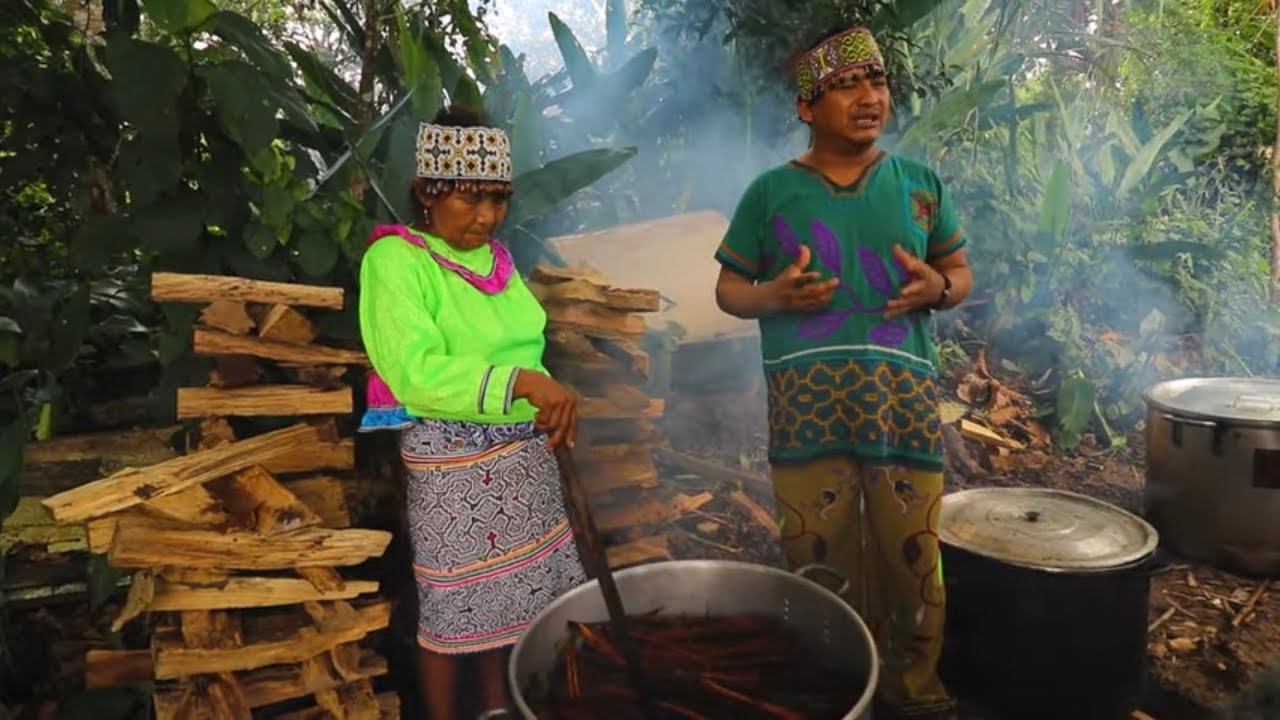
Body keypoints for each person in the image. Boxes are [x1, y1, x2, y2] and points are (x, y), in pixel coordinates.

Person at [712, 25, 974, 720]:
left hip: (904, 406)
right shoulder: (770, 194)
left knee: (913, 556)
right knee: (818, 554)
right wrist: (773, 296)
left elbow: (959, 271)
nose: (869, 97)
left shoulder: (920, 186)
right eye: (846, 85)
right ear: (806, 106)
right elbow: (728, 290)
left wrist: (938, 290)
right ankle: (838, 685)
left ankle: (914, 691)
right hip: (807, 413)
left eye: (878, 81)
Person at [358, 105, 587, 720]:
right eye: (468, 198)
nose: (486, 217)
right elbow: (415, 371)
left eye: (497, 199)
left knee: (511, 605)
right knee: (453, 607)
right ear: (427, 193)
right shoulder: (397, 262)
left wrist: (543, 396)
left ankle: (497, 710)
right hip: (451, 462)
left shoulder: (500, 264)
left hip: (521, 456)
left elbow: (526, 343)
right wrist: (521, 382)